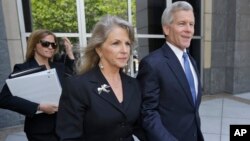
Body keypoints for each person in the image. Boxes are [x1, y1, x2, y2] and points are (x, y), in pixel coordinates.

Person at [56, 15, 146, 141]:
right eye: (116, 43)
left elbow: (139, 128)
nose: (125, 50)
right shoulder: (78, 86)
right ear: (99, 49)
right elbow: (69, 137)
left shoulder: (134, 84)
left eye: (127, 44)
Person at [136, 1, 204, 141]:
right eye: (182, 23)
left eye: (191, 24)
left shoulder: (192, 61)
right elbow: (147, 113)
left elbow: (191, 107)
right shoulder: (152, 64)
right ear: (166, 29)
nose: (189, 29)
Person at [0, 29, 75, 141]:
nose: (50, 47)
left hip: (64, 126)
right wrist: (38, 107)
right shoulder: (23, 69)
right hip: (39, 130)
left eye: (53, 44)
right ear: (34, 46)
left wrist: (70, 53)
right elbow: (4, 99)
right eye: (46, 44)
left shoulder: (58, 66)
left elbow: (71, 77)